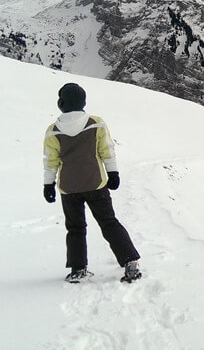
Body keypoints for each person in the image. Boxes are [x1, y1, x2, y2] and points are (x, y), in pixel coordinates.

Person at [42, 83, 142, 283]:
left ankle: (78, 268)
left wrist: (48, 185)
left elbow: (50, 161)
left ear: (61, 103)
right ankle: (130, 262)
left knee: (75, 227)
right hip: (96, 183)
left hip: (68, 187)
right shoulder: (96, 123)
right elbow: (107, 150)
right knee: (108, 222)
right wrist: (113, 173)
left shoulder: (53, 131)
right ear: (83, 102)